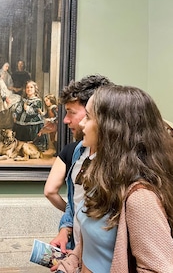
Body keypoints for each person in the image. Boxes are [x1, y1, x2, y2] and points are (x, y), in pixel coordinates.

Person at [57, 85, 173, 272]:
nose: (81, 124)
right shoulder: (103, 178)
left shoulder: (141, 197)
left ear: (111, 128)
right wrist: (72, 260)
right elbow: (93, 240)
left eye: (88, 117)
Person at [43, 75, 114, 254]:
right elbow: (76, 203)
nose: (66, 120)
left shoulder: (121, 163)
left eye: (72, 113)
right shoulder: (77, 152)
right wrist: (65, 230)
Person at [12, 80, 47, 152]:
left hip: (33, 123)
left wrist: (27, 108)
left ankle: (31, 150)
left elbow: (35, 112)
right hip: (21, 123)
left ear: (35, 89)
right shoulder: (23, 99)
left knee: (31, 141)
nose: (29, 89)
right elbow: (18, 108)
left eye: (31, 87)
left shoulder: (38, 101)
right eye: (27, 87)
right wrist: (15, 114)